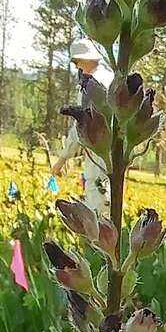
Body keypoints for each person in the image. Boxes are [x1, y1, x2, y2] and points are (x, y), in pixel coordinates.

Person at [51, 37, 115, 216]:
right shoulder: (111, 77)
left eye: (77, 61)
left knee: (98, 205)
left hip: (99, 153)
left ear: (85, 60)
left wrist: (63, 158)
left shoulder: (92, 84)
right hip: (112, 152)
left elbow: (82, 123)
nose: (77, 65)